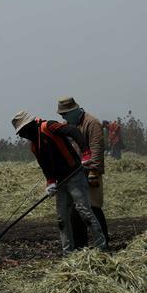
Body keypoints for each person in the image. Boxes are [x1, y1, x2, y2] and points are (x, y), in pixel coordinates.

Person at [12, 110, 106, 253]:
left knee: (85, 212)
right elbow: (45, 165)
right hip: (61, 182)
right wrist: (50, 182)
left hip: (74, 175)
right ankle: (67, 254)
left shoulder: (49, 126)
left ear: (29, 125)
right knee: (62, 220)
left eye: (23, 131)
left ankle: (102, 248)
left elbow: (74, 132)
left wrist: (86, 152)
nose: (22, 135)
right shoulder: (34, 146)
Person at [57, 96, 109, 245]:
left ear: (74, 111)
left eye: (65, 114)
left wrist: (94, 172)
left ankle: (104, 243)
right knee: (75, 211)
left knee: (93, 208)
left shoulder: (92, 123)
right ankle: (81, 247)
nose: (63, 118)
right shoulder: (68, 125)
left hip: (90, 173)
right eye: (61, 115)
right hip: (75, 174)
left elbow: (96, 149)